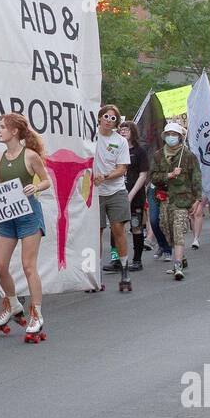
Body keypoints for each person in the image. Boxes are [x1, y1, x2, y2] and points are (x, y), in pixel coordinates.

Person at [0, 113, 52, 337]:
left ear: (14, 131)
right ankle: (13, 304)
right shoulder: (0, 157)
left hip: (29, 215)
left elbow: (46, 181)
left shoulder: (31, 156)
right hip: (8, 216)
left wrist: (36, 187)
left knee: (28, 266)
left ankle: (37, 313)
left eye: (3, 127)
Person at [150, 122, 201, 281]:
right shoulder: (158, 156)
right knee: (167, 229)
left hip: (182, 200)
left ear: (180, 137)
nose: (171, 137)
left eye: (174, 134)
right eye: (169, 134)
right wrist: (169, 175)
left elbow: (196, 178)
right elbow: (153, 177)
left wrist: (197, 199)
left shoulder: (188, 156)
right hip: (164, 198)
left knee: (179, 229)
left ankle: (177, 264)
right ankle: (180, 256)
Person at [93, 104, 132, 288]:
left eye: (113, 118)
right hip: (94, 193)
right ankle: (94, 275)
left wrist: (106, 176)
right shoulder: (90, 137)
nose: (109, 120)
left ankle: (124, 270)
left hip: (115, 190)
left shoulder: (121, 141)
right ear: (100, 117)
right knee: (95, 233)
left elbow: (122, 168)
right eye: (106, 117)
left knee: (118, 230)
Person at [115, 121, 150, 272]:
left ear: (133, 132)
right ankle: (117, 259)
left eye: (126, 129)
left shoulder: (140, 151)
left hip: (135, 195)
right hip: (116, 193)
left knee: (136, 226)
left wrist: (131, 194)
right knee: (117, 227)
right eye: (121, 129)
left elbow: (143, 175)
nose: (123, 131)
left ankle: (137, 260)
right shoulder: (115, 149)